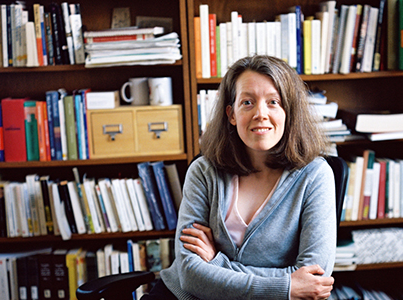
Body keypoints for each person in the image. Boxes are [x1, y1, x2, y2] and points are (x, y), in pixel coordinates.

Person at [143, 55, 336, 300]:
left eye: (273, 102)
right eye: (247, 102)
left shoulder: (315, 176)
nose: (260, 114)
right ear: (231, 114)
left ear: (289, 111)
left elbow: (313, 283)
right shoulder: (204, 171)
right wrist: (285, 287)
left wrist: (215, 262)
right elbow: (190, 275)